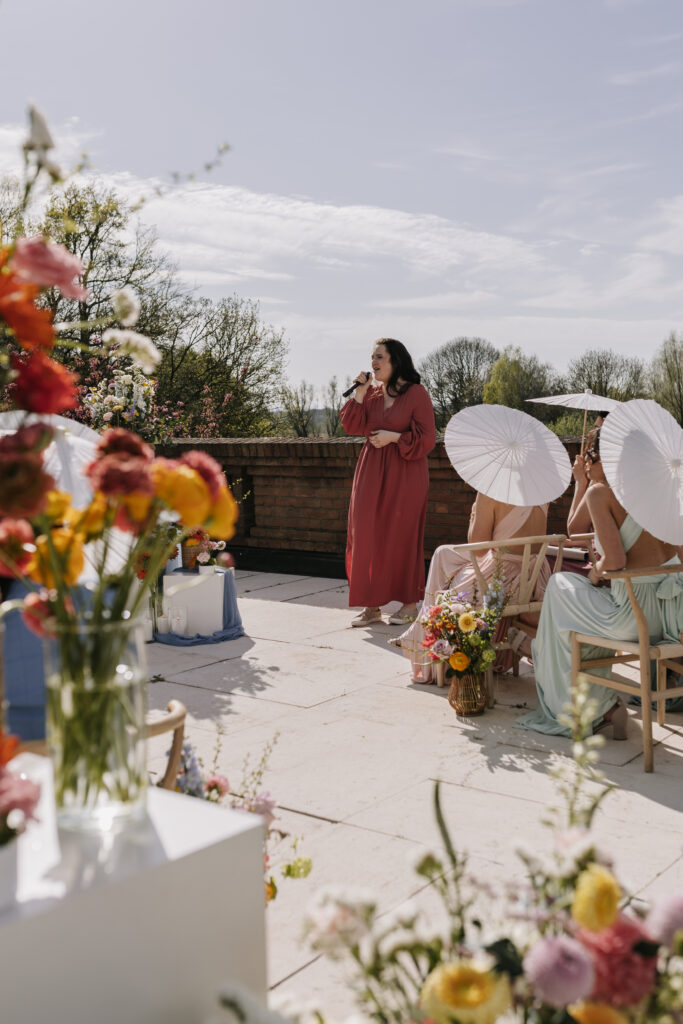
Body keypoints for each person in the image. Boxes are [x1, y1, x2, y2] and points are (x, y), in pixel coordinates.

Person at [517, 427, 683, 739]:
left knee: (558, 589)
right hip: (674, 619)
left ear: (609, 457)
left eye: (594, 456)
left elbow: (616, 561)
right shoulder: (668, 491)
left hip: (634, 618)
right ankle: (601, 706)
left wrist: (597, 573)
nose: (591, 463)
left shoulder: (602, 493)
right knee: (574, 610)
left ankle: (587, 708)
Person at [395, 492, 551, 682]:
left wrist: (474, 515)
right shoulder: (543, 491)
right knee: (443, 553)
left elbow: (479, 549)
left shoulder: (492, 493)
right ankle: (416, 632)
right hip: (533, 579)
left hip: (501, 581)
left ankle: (427, 645)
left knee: (445, 578)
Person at [340, 338, 436, 627]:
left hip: (406, 473)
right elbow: (352, 426)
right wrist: (358, 393)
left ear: (396, 360)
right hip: (370, 471)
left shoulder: (417, 393)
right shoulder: (370, 394)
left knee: (402, 536)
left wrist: (394, 437)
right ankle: (372, 606)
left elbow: (428, 439)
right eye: (372, 357)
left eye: (379, 357)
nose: (374, 362)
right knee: (366, 534)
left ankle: (409, 603)